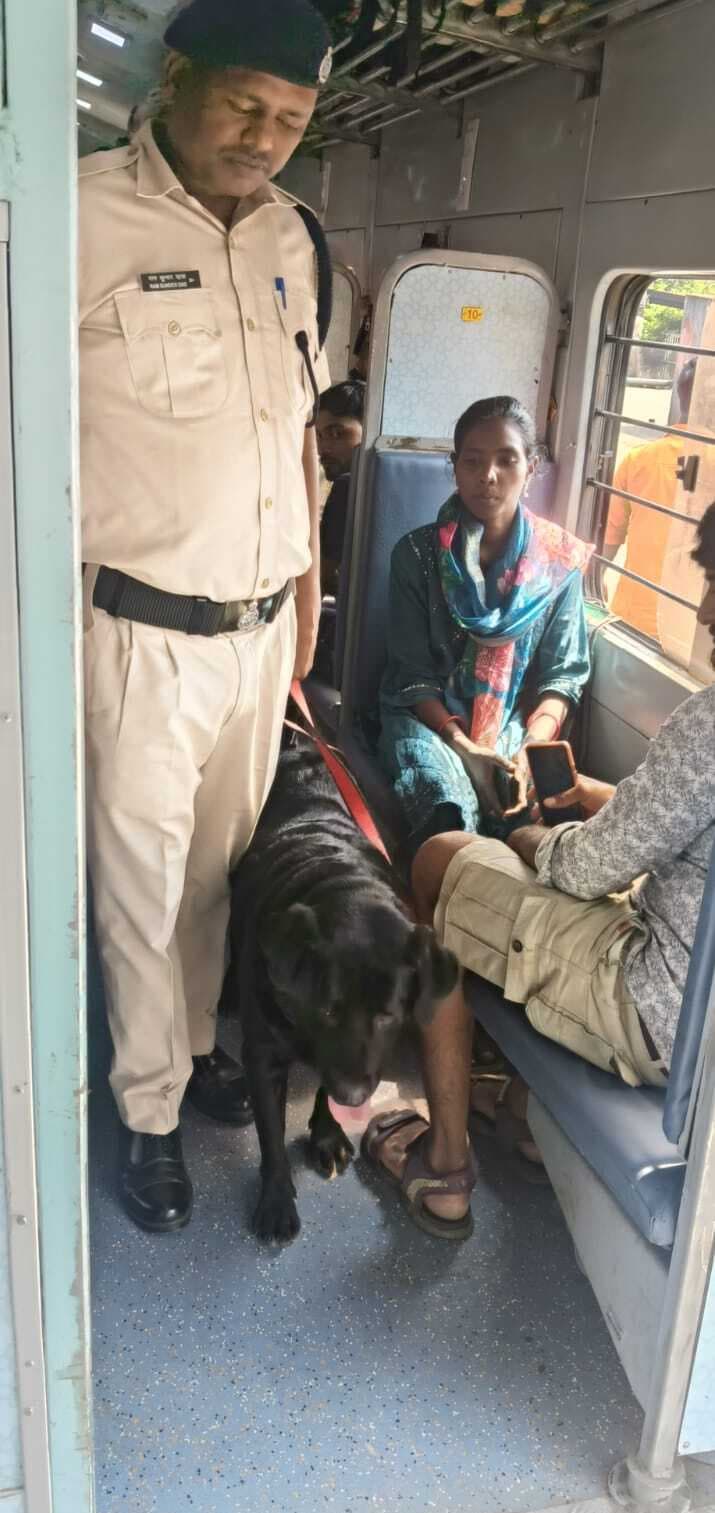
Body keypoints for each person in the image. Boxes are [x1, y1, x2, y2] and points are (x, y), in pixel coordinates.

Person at [80, 0, 334, 1233]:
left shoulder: (295, 236)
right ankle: (146, 1114)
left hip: (257, 631)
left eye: (291, 118)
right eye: (243, 104)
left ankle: (187, 1047)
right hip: (137, 632)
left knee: (212, 879)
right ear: (175, 79)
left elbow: (299, 443)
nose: (264, 137)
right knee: (139, 885)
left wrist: (307, 603)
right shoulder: (76, 217)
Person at [362, 504, 715, 1240]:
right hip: (697, 1005)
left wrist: (530, 836)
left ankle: (445, 1163)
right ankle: (522, 1115)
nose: (706, 612)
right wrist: (592, 796)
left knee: (440, 859)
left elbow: (581, 870)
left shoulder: (707, 722)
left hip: (659, 1016)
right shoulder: (418, 556)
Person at [378, 395, 592, 858]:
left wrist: (531, 748)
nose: (488, 475)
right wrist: (464, 747)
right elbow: (412, 676)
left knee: (529, 811)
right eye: (472, 461)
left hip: (518, 724)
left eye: (506, 460)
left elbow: (563, 677)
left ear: (531, 467)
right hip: (430, 722)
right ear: (455, 468)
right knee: (445, 805)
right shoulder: (414, 556)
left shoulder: (558, 563)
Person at [604, 359, 702, 639]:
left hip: (632, 622)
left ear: (680, 395)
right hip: (696, 636)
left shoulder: (639, 460)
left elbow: (609, 540)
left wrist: (594, 579)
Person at [316, 378, 365, 594]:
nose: (322, 448)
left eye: (337, 433)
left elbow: (324, 579)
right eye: (319, 436)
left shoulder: (347, 487)